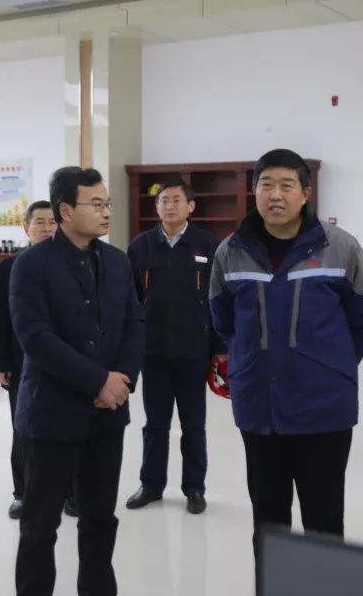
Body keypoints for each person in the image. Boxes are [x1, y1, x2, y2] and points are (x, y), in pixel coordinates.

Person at [209, 148, 363, 554]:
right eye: (266, 185)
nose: (276, 195)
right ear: (254, 192)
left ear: (306, 193)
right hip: (260, 408)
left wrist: (330, 364)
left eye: (287, 185)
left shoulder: (340, 247)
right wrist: (252, 361)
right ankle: (275, 583)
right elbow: (223, 319)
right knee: (269, 522)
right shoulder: (231, 250)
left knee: (324, 523)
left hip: (324, 409)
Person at [9, 167, 144, 596]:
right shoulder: (31, 265)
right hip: (51, 415)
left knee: (100, 518)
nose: (106, 212)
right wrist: (98, 381)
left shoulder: (117, 261)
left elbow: (134, 324)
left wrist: (121, 382)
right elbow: (36, 337)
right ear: (66, 211)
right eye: (96, 204)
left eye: (108, 204)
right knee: (40, 525)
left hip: (108, 416)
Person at [125, 178, 223, 515]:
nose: (169, 206)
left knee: (193, 425)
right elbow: (130, 300)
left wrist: (220, 347)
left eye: (176, 200)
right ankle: (151, 485)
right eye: (164, 200)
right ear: (157, 207)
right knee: (155, 424)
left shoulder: (208, 245)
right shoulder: (141, 246)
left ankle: (194, 488)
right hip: (153, 352)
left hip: (195, 351)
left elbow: (219, 299)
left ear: (190, 206)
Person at [0, 200, 57, 519]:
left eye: (52, 222)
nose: (46, 228)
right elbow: (0, 319)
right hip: (22, 363)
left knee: (66, 428)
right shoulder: (9, 267)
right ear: (26, 228)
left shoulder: (72, 263)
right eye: (39, 222)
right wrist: (2, 363)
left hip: (66, 364)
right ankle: (23, 493)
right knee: (24, 430)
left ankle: (67, 492)